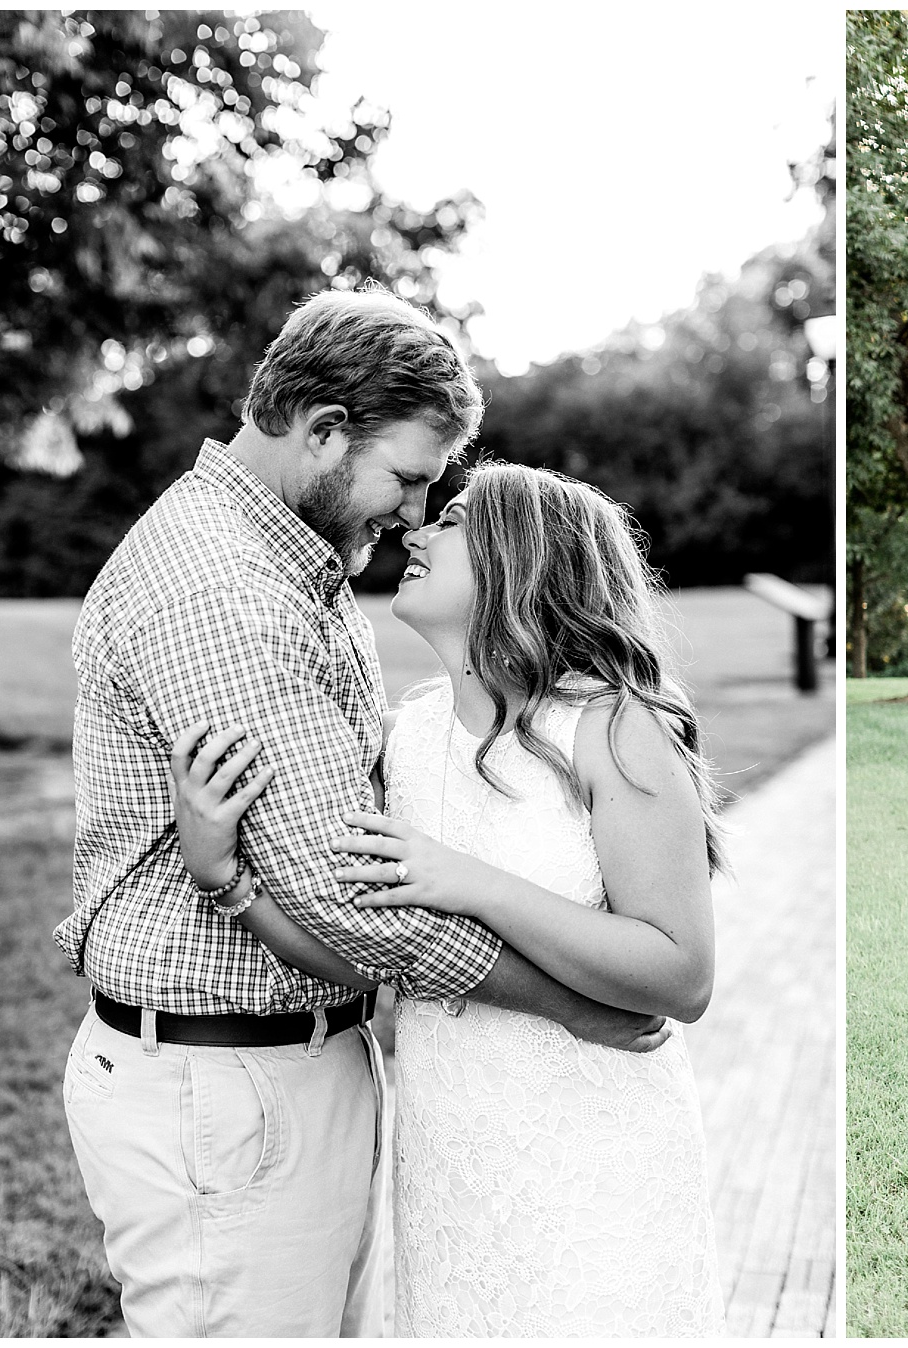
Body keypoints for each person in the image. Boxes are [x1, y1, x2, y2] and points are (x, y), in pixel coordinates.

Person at [57, 286, 667, 1338]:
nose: (417, 516)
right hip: (226, 1084)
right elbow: (354, 894)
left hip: (288, 1064)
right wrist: (566, 1002)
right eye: (410, 478)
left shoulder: (295, 558)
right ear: (325, 432)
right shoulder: (224, 590)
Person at [172, 462, 727, 1335]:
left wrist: (473, 884)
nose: (416, 529)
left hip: (596, 1160)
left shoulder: (614, 727)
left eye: (454, 520)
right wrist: (226, 881)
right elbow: (371, 961)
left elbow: (681, 975)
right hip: (451, 1163)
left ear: (525, 559)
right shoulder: (412, 732)